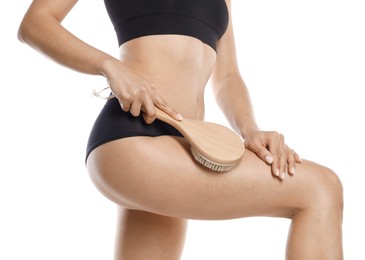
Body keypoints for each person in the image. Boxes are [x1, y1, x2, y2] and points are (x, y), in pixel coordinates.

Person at [18, 0, 343, 259]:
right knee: (319, 189)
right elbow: (35, 23)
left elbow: (227, 76)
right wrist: (111, 66)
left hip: (184, 146)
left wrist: (250, 129)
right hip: (132, 138)